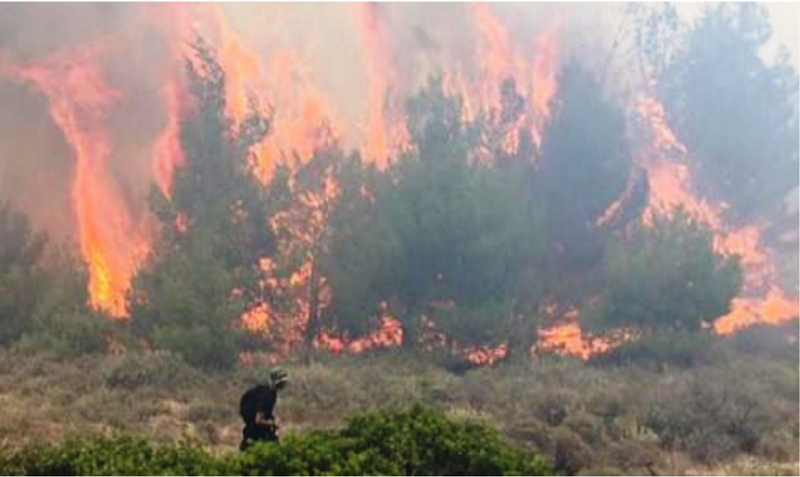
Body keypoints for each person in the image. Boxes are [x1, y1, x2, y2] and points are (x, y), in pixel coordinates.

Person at [239, 369, 288, 451]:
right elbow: (259, 420)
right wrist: (272, 423)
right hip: (257, 431)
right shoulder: (268, 395)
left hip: (251, 429)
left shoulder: (264, 391)